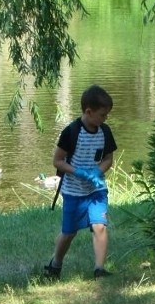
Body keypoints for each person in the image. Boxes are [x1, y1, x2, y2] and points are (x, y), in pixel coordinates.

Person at [44, 85, 118, 280]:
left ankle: (99, 269)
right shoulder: (71, 132)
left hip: (96, 190)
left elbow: (108, 159)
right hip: (73, 192)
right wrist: (78, 171)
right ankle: (55, 264)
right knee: (69, 233)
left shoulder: (105, 132)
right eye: (102, 115)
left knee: (99, 225)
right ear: (88, 111)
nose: (105, 119)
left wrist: (97, 172)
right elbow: (57, 160)